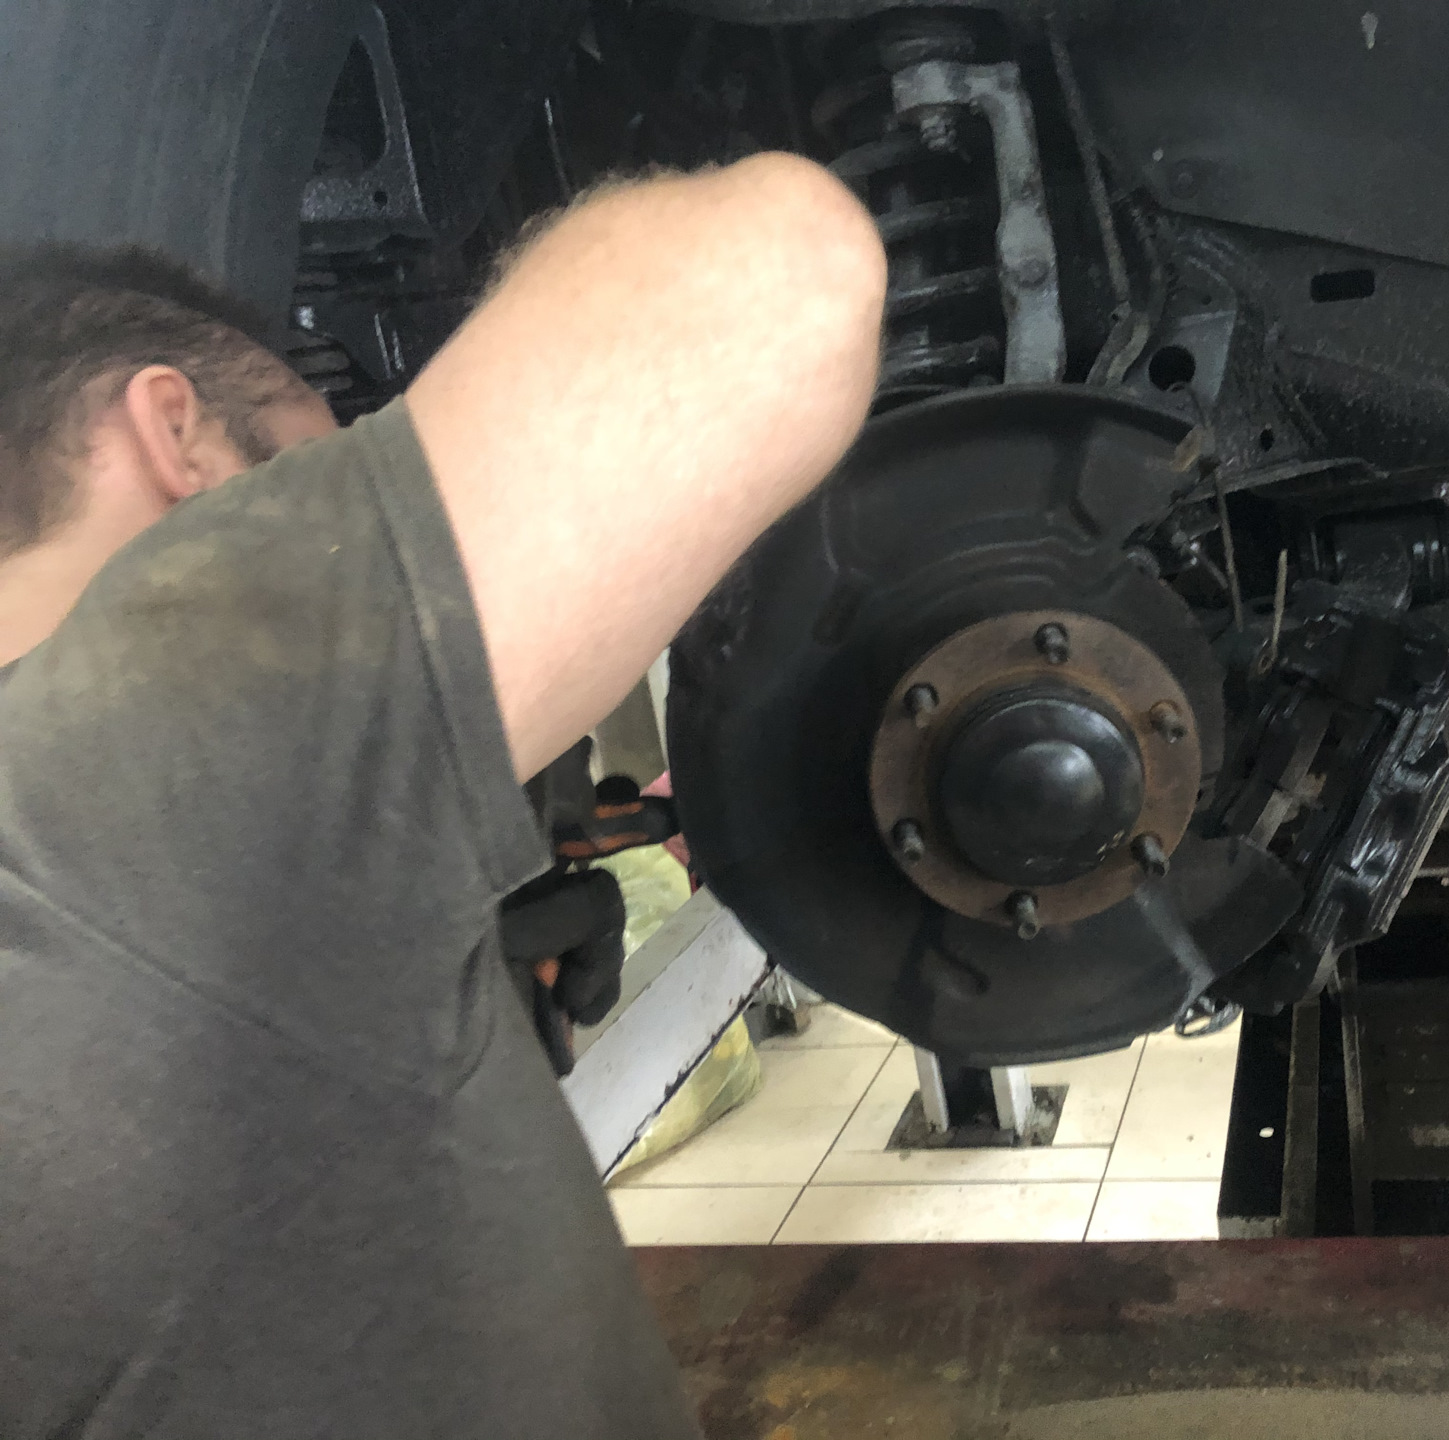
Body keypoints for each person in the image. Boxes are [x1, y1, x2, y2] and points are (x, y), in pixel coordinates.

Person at [0, 154, 887, 1437]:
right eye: (319, 470)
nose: (342, 508)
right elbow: (778, 267)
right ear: (174, 431)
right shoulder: (136, 747)